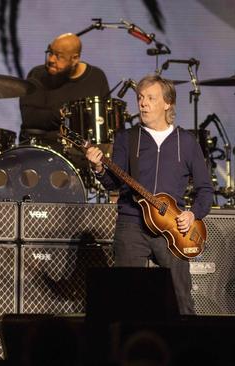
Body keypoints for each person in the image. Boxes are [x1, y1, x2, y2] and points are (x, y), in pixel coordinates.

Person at [86, 75, 213, 314]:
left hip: (173, 229)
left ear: (167, 103)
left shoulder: (186, 142)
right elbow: (114, 182)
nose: (143, 103)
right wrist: (99, 168)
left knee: (181, 300)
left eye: (150, 98)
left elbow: (205, 190)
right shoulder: (126, 138)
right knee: (125, 298)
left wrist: (192, 214)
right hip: (131, 222)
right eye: (140, 98)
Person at [19, 33, 109, 145]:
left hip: (82, 151)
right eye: (50, 52)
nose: (51, 59)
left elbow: (104, 120)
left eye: (59, 56)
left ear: (75, 58)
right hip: (44, 148)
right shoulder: (38, 75)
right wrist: (64, 115)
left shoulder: (96, 77)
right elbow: (30, 118)